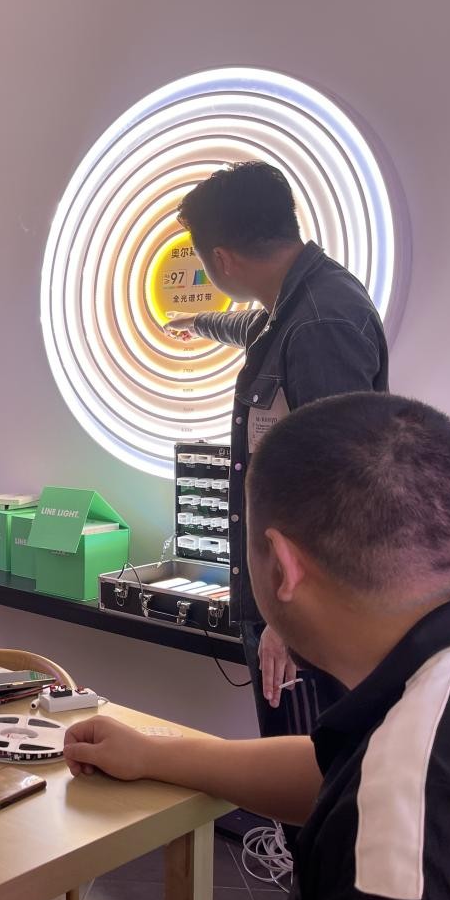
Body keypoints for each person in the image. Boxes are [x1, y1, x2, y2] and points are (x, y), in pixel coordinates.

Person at [64, 393, 450, 900]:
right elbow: (338, 769)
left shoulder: (399, 838)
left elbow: (391, 787)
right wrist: (153, 753)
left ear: (283, 566)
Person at [164, 161, 389, 740]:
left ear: (221, 260)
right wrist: (199, 322)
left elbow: (340, 485)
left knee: (307, 770)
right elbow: (251, 330)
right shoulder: (292, 308)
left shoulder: (319, 324)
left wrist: (291, 620)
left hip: (311, 619)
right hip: (286, 603)